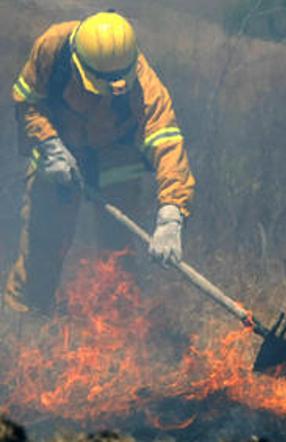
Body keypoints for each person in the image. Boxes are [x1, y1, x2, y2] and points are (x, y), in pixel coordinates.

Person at [4, 10, 195, 315]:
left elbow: (168, 143)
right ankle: (25, 320)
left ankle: (118, 325)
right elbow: (27, 101)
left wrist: (171, 213)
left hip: (116, 159)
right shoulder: (52, 49)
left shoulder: (147, 87)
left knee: (118, 251)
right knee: (42, 243)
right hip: (58, 155)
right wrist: (50, 144)